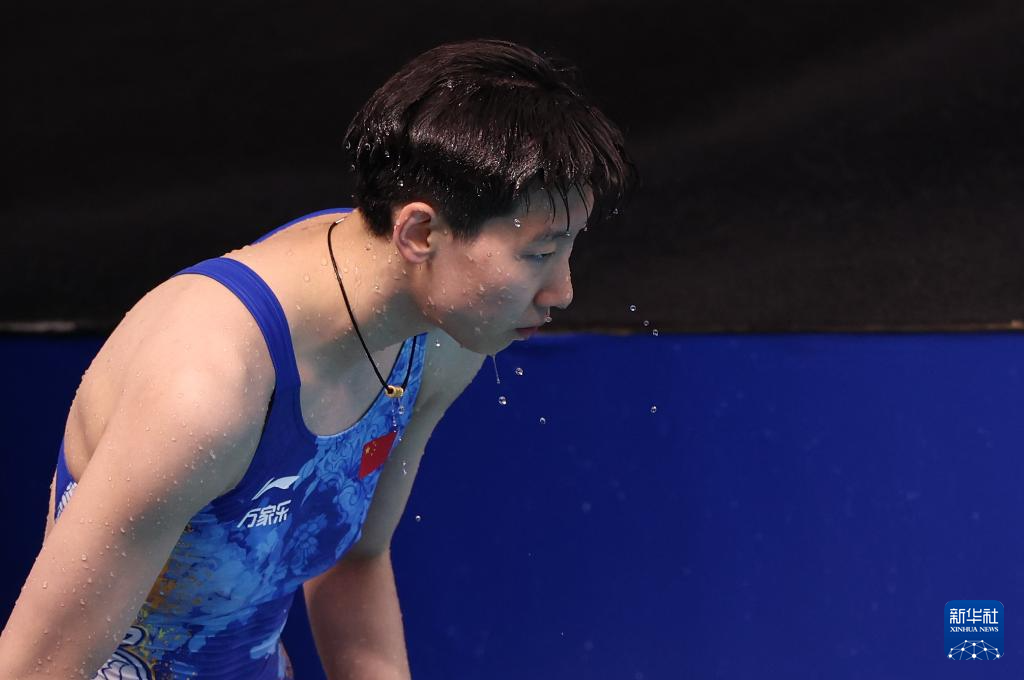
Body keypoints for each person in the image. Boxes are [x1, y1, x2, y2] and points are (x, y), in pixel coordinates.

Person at [0, 38, 635, 679]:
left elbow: (355, 558)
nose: (563, 291)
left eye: (569, 248)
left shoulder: (437, 335)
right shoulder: (205, 391)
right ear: (420, 233)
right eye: (539, 253)